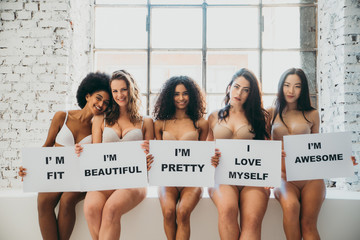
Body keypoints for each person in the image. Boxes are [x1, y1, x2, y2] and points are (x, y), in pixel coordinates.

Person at [18, 72, 111, 240]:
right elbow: (46, 147)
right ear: (87, 95)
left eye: (106, 102)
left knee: (67, 199)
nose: (101, 104)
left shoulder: (99, 126)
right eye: (98, 98)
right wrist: (29, 168)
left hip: (81, 177)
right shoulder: (62, 116)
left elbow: (100, 156)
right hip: (59, 174)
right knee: (43, 202)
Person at [79, 70, 154, 240]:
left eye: (123, 89)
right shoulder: (100, 119)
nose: (119, 95)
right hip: (106, 177)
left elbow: (151, 155)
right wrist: (82, 150)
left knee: (111, 210)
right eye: (115, 91)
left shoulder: (146, 122)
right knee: (90, 209)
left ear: (131, 89)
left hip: (133, 180)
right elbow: (95, 153)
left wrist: (149, 161)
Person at [208, 68, 270, 240]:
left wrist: (270, 174)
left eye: (246, 90)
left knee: (252, 221)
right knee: (227, 210)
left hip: (253, 178)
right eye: (236, 87)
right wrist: (210, 158)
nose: (239, 93)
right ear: (229, 87)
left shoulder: (260, 118)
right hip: (222, 176)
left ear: (251, 94)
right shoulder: (214, 117)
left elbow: (267, 149)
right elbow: (206, 149)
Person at [268, 68, 324, 240]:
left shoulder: (313, 114)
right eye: (287, 85)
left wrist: (343, 158)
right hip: (283, 176)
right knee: (291, 207)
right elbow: (262, 145)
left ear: (303, 89)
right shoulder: (271, 112)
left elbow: (319, 148)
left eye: (297, 86)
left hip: (310, 177)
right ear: (281, 86)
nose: (291, 91)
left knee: (308, 225)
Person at [151, 75, 208, 240]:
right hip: (167, 179)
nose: (181, 98)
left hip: (192, 180)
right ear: (170, 96)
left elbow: (203, 154)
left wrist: (212, 160)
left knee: (183, 212)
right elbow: (157, 154)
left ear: (192, 95)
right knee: (169, 212)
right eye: (176, 94)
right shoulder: (160, 123)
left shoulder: (200, 123)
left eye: (185, 93)